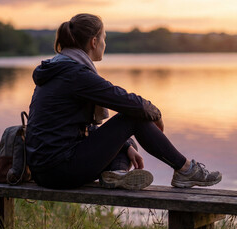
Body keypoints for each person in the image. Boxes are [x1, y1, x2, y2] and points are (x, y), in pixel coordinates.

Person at [26, 13, 222, 190]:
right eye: (104, 38)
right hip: (60, 170)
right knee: (133, 118)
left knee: (129, 145)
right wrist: (155, 113)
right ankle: (186, 170)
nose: (105, 44)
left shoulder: (58, 69)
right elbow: (130, 103)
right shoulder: (75, 75)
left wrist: (126, 145)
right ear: (94, 42)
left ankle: (116, 174)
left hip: (45, 170)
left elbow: (71, 128)